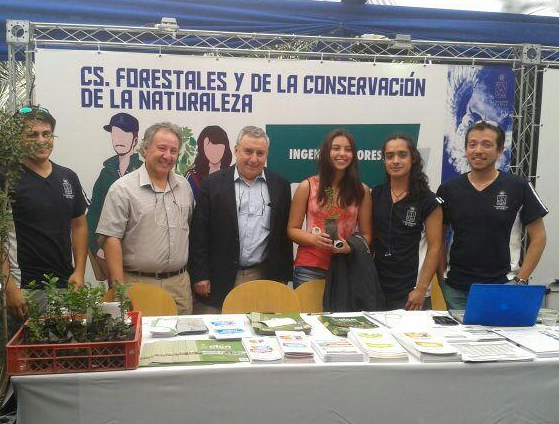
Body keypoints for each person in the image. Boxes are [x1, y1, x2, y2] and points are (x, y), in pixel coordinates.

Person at [0, 106, 88, 319]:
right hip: (25, 290)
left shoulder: (68, 177)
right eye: (32, 134)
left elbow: (79, 225)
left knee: (69, 351)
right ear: (16, 138)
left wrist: (79, 272)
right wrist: (9, 289)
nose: (41, 140)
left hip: (66, 286)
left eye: (46, 134)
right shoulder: (3, 180)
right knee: (29, 352)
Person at [436, 120, 548, 310]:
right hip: (456, 289)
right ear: (465, 149)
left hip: (502, 286)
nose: (478, 150)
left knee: (500, 339)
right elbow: (437, 239)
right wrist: (442, 280)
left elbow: (539, 238)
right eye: (472, 144)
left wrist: (520, 281)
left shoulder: (518, 187)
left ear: (500, 150)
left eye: (486, 144)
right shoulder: (448, 189)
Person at [189, 126, 292, 313]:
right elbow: (199, 234)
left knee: (260, 336)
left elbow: (283, 237)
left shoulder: (280, 185)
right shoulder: (211, 184)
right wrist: (200, 275)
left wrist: (282, 276)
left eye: (260, 153)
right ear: (236, 150)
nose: (254, 159)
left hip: (262, 276)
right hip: (219, 278)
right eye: (248, 151)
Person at [97, 122, 194, 315]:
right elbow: (111, 240)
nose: (167, 156)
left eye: (173, 150)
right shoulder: (122, 189)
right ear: (145, 148)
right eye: (161, 148)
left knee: (181, 343)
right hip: (137, 284)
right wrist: (119, 290)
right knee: (139, 342)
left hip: (179, 286)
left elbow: (188, 226)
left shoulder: (184, 187)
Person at [287, 129, 372, 288]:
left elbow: (366, 235)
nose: (342, 153)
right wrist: (313, 239)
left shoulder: (362, 191)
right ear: (326, 152)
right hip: (310, 267)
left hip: (346, 267)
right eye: (336, 148)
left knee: (341, 314)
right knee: (309, 314)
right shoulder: (307, 186)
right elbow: (292, 229)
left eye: (348, 149)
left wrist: (350, 247)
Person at [372, 134, 443, 310]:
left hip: (412, 293)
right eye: (389, 156)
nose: (395, 161)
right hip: (378, 289)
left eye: (402, 155)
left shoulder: (428, 200)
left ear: (413, 159)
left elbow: (435, 247)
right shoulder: (376, 194)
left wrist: (421, 289)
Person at [86, 112, 143, 281]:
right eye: (115, 133)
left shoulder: (143, 170)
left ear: (135, 139)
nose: (119, 139)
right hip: (111, 256)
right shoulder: (106, 174)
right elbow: (93, 214)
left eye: (125, 133)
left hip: (140, 261)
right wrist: (97, 249)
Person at [185, 125, 233, 199]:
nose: (214, 150)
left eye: (218, 146)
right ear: (202, 148)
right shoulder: (192, 176)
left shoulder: (232, 175)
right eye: (209, 146)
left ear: (225, 148)